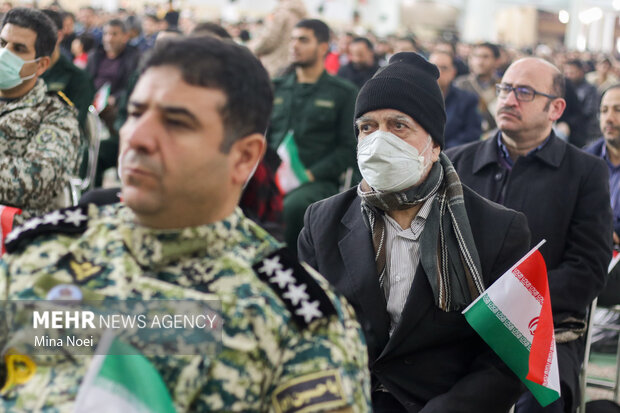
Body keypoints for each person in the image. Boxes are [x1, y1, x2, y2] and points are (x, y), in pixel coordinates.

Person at [0, 35, 371, 411]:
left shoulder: (290, 320)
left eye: (177, 123)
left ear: (244, 158)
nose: (138, 138)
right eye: (135, 113)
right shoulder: (45, 252)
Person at [298, 52, 532, 412]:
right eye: (367, 127)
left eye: (398, 125)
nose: (379, 140)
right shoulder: (323, 221)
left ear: (434, 143)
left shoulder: (497, 230)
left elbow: (507, 359)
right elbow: (306, 330)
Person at [447, 57, 613, 413]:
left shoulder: (584, 173)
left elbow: (588, 269)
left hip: (540, 333)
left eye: (524, 92)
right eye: (505, 89)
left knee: (538, 405)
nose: (508, 100)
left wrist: (505, 305)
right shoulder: (457, 164)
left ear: (556, 108)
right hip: (455, 323)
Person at [267, 18, 358, 256]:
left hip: (315, 179)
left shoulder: (342, 93)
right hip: (273, 176)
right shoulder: (277, 88)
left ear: (323, 47)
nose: (294, 46)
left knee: (293, 207)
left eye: (303, 40)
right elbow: (264, 138)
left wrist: (311, 173)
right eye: (293, 39)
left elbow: (348, 148)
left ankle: (290, 269)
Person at [0, 7, 80, 225]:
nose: (5, 53)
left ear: (41, 64)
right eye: (2, 43)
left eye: (19, 48)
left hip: (12, 235)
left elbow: (38, 181)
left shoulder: (55, 116)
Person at [40, 8, 95, 130]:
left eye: (41, 36)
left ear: (59, 35)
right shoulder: (24, 73)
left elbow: (73, 126)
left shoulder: (78, 78)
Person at [429, 50, 482, 148]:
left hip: (452, 156)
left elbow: (472, 134)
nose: (438, 72)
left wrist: (440, 152)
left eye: (444, 68)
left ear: (453, 72)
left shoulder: (467, 100)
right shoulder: (415, 97)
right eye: (433, 67)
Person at [249, 0, 307, 78]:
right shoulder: (302, 14)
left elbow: (268, 40)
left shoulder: (280, 13)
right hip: (292, 66)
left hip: (273, 64)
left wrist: (249, 49)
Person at [454, 41, 501, 136]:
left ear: (496, 61)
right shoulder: (460, 85)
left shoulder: (501, 86)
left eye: (485, 57)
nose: (480, 62)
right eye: (476, 56)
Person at [564, 59, 601, 145]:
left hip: (585, 132)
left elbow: (588, 112)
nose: (569, 76)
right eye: (567, 73)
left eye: (572, 73)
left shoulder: (590, 89)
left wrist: (568, 122)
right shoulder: (564, 89)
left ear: (581, 72)